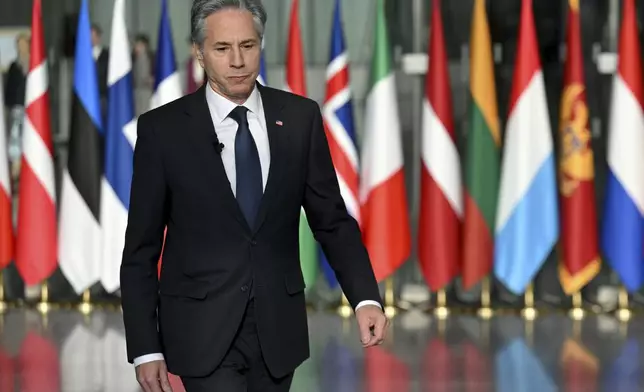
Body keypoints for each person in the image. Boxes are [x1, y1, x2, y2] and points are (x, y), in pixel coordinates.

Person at [119, 1, 388, 391]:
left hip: (278, 332)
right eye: (222, 48)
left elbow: (331, 221)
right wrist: (146, 348)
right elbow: (140, 249)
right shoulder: (163, 131)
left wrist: (365, 298)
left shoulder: (299, 119)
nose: (238, 60)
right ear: (199, 52)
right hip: (200, 332)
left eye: (248, 45)